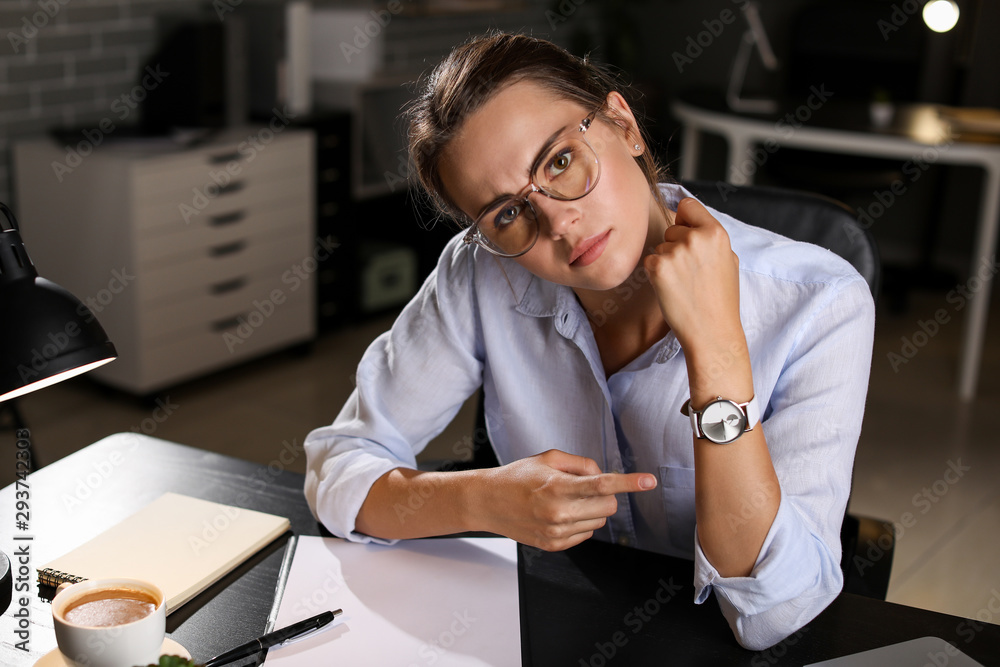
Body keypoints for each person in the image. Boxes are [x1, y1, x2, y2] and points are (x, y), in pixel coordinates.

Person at [304, 32, 875, 651]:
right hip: (552, 631)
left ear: (623, 124)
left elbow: (774, 612)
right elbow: (339, 468)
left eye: (558, 161)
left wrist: (717, 352)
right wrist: (481, 501)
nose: (556, 220)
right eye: (505, 213)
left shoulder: (820, 300)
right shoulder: (480, 272)